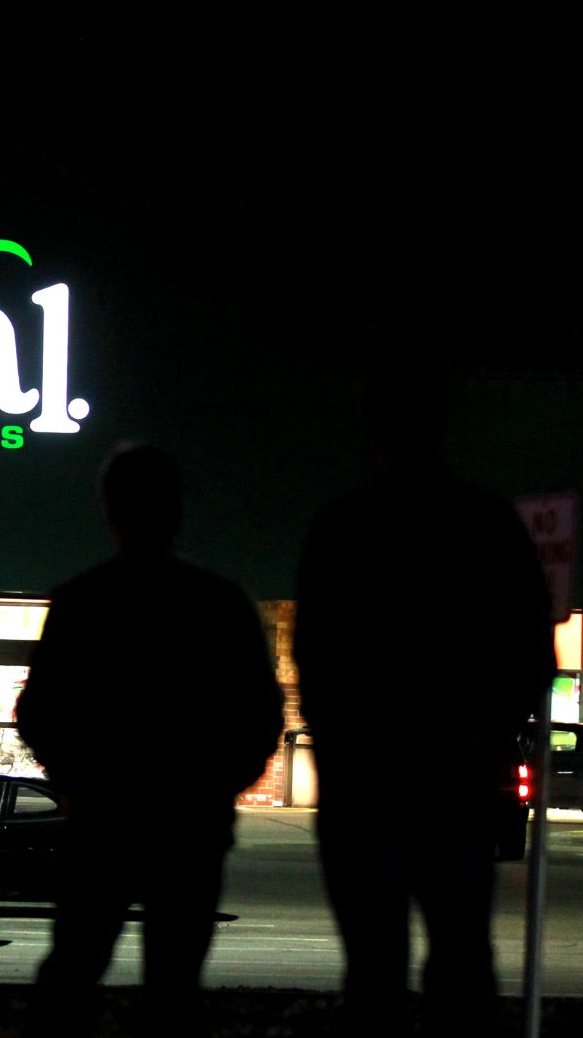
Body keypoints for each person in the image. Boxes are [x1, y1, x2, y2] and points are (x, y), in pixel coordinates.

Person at [296, 369, 553, 1038]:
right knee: (463, 961)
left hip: (367, 786)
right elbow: (532, 656)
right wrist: (487, 741)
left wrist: (343, 755)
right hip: (458, 784)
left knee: (374, 970)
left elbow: (316, 659)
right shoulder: (488, 524)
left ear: (373, 433)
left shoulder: (344, 527)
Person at [17, 444, 282, 1038]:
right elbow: (263, 716)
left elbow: (37, 712)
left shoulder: (83, 601)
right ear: (178, 509)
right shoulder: (220, 603)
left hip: (103, 818)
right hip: (191, 820)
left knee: (73, 970)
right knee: (175, 984)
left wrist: (79, 781)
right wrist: (218, 787)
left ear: (109, 508)